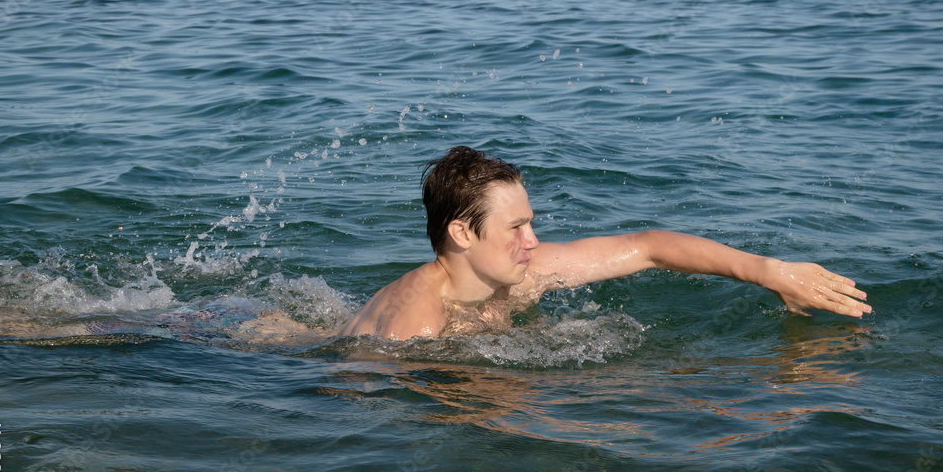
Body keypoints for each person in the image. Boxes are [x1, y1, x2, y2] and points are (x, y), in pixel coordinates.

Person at [338, 145, 872, 340]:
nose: (534, 239)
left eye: (531, 223)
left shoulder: (523, 271)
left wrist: (769, 271)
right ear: (461, 233)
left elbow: (647, 246)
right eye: (516, 228)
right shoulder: (418, 325)